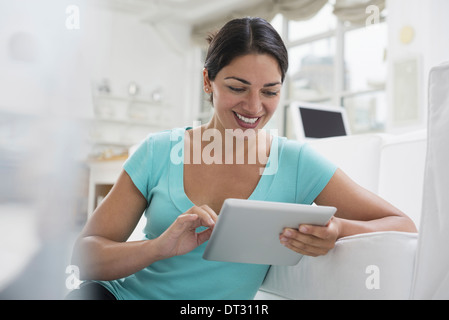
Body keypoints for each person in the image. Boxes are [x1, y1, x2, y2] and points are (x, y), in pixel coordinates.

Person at [67, 17, 417, 300]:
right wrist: (158, 247)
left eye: (270, 91)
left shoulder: (296, 163)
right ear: (208, 81)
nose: (254, 107)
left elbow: (402, 224)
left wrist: (340, 228)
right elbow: (83, 258)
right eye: (237, 87)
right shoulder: (158, 152)